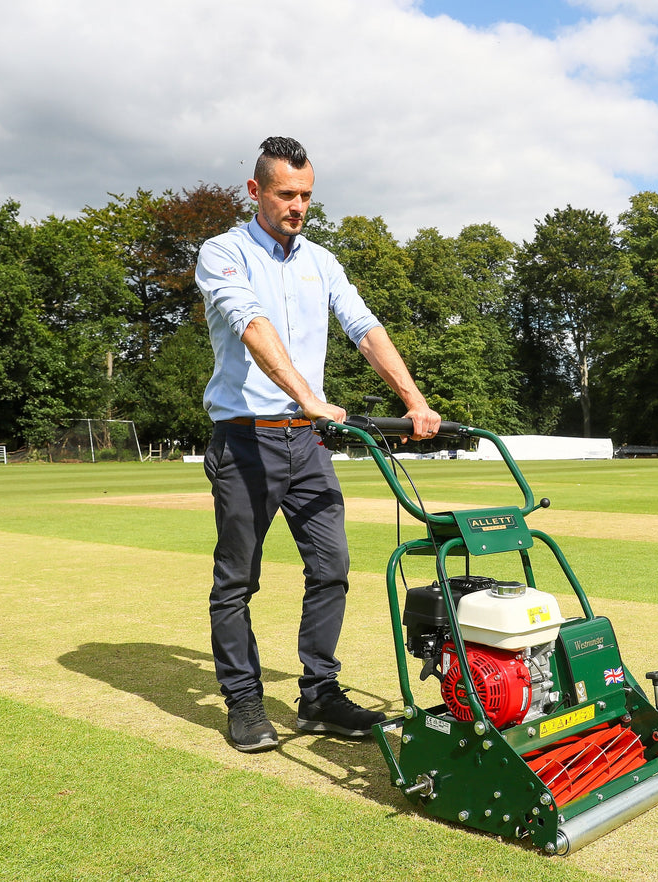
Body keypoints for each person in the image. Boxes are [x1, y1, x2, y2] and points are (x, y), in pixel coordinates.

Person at [195, 136, 440, 752]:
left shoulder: (321, 262)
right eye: (286, 194)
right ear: (255, 191)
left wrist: (414, 399)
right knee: (237, 580)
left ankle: (319, 696)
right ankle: (244, 700)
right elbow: (249, 323)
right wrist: (304, 393)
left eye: (306, 195)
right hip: (246, 439)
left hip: (308, 444)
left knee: (332, 568)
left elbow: (364, 327)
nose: (298, 205)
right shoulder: (222, 253)